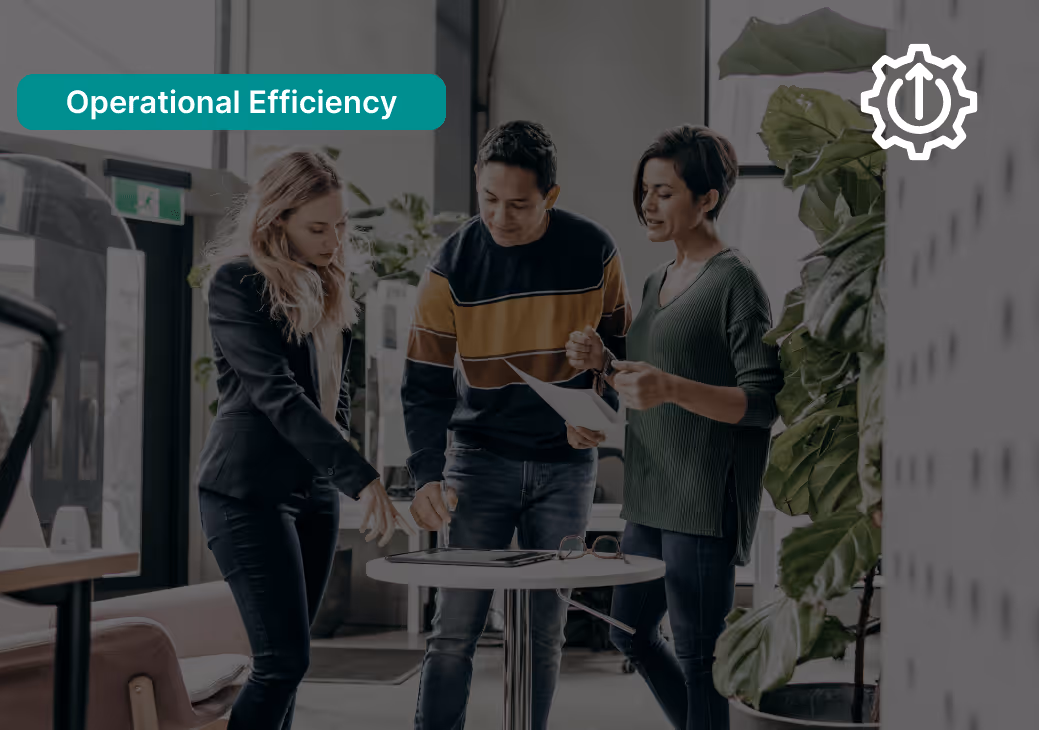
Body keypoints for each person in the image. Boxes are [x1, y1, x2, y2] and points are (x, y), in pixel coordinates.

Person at [402, 120, 632, 730]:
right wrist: (427, 474)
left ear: (550, 197)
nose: (500, 217)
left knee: (542, 630)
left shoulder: (594, 251)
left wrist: (602, 414)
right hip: (477, 462)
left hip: (566, 467)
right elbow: (423, 381)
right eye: (489, 199)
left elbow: (620, 355)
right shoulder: (451, 263)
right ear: (477, 183)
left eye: (519, 205)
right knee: (454, 630)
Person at [565, 126, 784, 730]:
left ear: (707, 198)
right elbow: (647, 383)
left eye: (663, 192)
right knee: (629, 635)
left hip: (704, 498)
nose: (647, 205)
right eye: (644, 192)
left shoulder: (735, 282)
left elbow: (762, 402)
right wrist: (601, 366)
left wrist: (668, 388)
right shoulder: (655, 282)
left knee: (697, 655)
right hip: (651, 495)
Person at [195, 149, 409, 730]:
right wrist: (361, 477)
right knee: (281, 661)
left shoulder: (328, 285)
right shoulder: (237, 282)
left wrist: (336, 474)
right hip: (246, 491)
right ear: (275, 220)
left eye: (340, 225)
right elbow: (278, 395)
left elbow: (332, 394)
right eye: (318, 228)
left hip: (310, 492)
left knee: (291, 662)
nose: (334, 239)